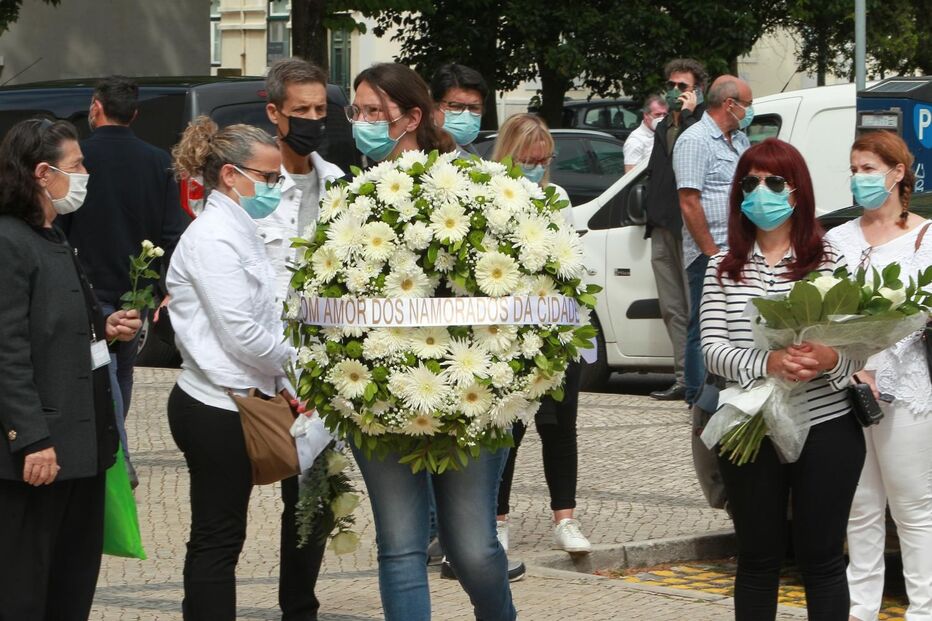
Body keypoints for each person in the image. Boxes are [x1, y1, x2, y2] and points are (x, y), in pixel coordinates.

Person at [345, 62, 514, 621]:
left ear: (412, 117)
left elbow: (511, 283)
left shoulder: (475, 189)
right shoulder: (353, 197)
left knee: (473, 550)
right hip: (383, 390)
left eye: (376, 113)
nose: (364, 123)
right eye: (359, 111)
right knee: (400, 550)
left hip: (468, 390)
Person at [702, 138, 866, 620]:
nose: (761, 192)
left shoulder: (831, 259)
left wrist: (826, 358)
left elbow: (857, 351)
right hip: (748, 424)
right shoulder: (721, 267)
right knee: (757, 559)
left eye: (775, 182)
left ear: (798, 191)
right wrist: (767, 365)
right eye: (749, 183)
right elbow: (712, 349)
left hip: (826, 422)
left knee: (822, 560)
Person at [166, 117, 319, 621]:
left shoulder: (239, 228)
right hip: (215, 404)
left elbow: (262, 318)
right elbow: (242, 334)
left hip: (240, 398)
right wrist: (301, 362)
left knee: (223, 533)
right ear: (231, 175)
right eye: (269, 178)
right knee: (218, 536)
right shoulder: (213, 237)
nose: (276, 187)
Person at [0, 118, 141, 620]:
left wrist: (104, 327)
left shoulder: (55, 236)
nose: (85, 173)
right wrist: (33, 437)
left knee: (71, 587)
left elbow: (59, 325)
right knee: (24, 593)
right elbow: (8, 349)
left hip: (85, 450)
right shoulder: (9, 242)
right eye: (76, 165)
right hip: (40, 457)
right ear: (42, 173)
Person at [825, 131, 932, 621]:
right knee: (859, 509)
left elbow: (921, 315)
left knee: (913, 511)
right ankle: (860, 610)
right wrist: (853, 362)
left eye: (868, 169)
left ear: (896, 173)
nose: (858, 179)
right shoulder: (837, 239)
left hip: (904, 389)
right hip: (844, 390)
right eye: (853, 170)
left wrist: (876, 359)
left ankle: (922, 611)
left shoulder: (926, 237)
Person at [60, 75, 188, 485]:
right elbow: (173, 231)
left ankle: (115, 453)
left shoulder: (80, 162)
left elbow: (61, 224)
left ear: (95, 107)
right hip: (137, 286)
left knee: (100, 370)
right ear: (134, 114)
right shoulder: (157, 162)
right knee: (122, 371)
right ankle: (115, 446)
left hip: (87, 283)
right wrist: (164, 285)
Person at [490, 113, 591, 557]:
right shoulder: (490, 195)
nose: (536, 168)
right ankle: (496, 520)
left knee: (560, 427)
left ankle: (565, 519)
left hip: (552, 325)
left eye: (543, 161)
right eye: (529, 160)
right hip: (508, 330)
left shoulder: (557, 197)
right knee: (506, 431)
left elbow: (569, 258)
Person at [673, 75, 753, 408]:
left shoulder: (741, 140)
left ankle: (729, 390)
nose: (750, 111)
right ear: (730, 104)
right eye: (747, 104)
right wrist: (712, 252)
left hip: (740, 246)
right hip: (711, 250)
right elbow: (689, 201)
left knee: (735, 320)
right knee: (703, 325)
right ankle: (696, 397)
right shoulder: (695, 140)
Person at [644, 58, 708, 402]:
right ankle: (682, 377)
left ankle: (698, 381)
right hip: (662, 223)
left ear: (697, 91)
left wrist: (693, 116)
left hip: (689, 225)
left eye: (682, 86)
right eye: (671, 85)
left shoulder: (702, 125)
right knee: (671, 307)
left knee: (695, 305)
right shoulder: (661, 127)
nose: (674, 92)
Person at [262, 58, 345, 309]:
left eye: (320, 110)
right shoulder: (253, 187)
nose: (313, 119)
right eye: (301, 110)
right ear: (274, 113)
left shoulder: (338, 183)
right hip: (268, 335)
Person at [430, 63, 488, 156]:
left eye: (474, 107)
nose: (466, 115)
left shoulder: (475, 155)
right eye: (456, 106)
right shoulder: (419, 155)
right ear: (433, 106)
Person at [623, 94, 668, 173]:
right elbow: (630, 174)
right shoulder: (635, 141)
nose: (662, 118)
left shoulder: (665, 134)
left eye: (664, 114)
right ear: (646, 115)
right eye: (657, 115)